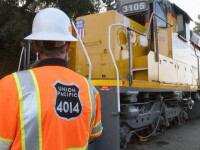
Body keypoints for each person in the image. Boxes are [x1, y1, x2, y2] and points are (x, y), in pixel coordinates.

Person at [0, 8, 103, 150]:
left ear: (35, 47)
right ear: (68, 46)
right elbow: (94, 134)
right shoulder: (89, 89)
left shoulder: (10, 86)